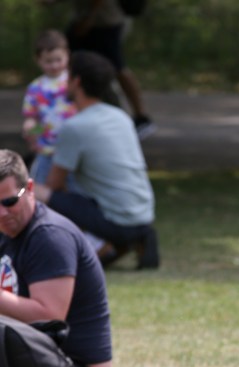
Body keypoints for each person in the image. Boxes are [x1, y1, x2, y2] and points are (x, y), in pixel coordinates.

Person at [0, 149, 111, 367]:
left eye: (8, 202)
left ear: (29, 188)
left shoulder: (49, 236)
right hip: (29, 357)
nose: (2, 213)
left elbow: (49, 316)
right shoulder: (6, 230)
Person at [33, 50, 159, 270]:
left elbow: (54, 185)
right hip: (143, 214)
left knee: (34, 191)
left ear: (77, 81)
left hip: (116, 220)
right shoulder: (120, 117)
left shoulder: (75, 127)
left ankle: (98, 245)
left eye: (68, 76)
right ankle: (121, 242)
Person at [56, 0, 156, 138]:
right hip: (85, 20)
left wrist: (89, 18)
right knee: (70, 62)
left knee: (117, 68)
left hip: (104, 21)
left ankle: (141, 117)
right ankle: (64, 112)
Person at [20, 30, 78, 186]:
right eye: (48, 61)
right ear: (38, 60)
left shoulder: (74, 82)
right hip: (46, 150)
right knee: (40, 187)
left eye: (58, 60)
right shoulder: (35, 87)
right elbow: (33, 118)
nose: (54, 65)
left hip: (74, 149)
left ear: (67, 55)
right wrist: (31, 130)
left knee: (75, 189)